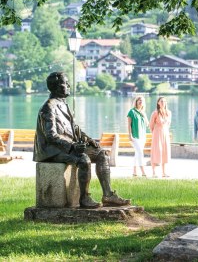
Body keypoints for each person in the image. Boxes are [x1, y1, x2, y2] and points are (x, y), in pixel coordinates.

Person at [34, 72, 130, 208]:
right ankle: (84, 198)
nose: (68, 85)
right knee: (83, 159)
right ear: (55, 87)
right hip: (51, 151)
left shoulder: (63, 105)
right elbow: (51, 136)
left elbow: (75, 128)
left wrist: (88, 139)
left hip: (66, 147)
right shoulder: (49, 107)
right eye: (65, 83)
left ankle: (108, 195)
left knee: (101, 154)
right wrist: (72, 146)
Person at [149, 96, 172, 178]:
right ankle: (154, 172)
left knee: (165, 152)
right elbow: (151, 125)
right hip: (157, 134)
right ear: (158, 103)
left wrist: (165, 131)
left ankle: (164, 172)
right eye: (161, 101)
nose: (163, 102)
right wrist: (155, 133)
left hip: (165, 133)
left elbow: (168, 124)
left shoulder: (169, 112)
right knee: (156, 152)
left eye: (164, 101)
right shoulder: (155, 113)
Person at [127, 96, 148, 177]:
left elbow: (147, 124)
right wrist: (129, 135)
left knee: (137, 153)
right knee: (140, 152)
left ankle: (134, 171)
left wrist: (144, 115)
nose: (140, 101)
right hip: (135, 136)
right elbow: (129, 125)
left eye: (142, 100)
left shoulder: (143, 112)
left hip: (142, 137)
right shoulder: (131, 112)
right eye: (139, 100)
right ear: (136, 102)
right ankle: (143, 172)